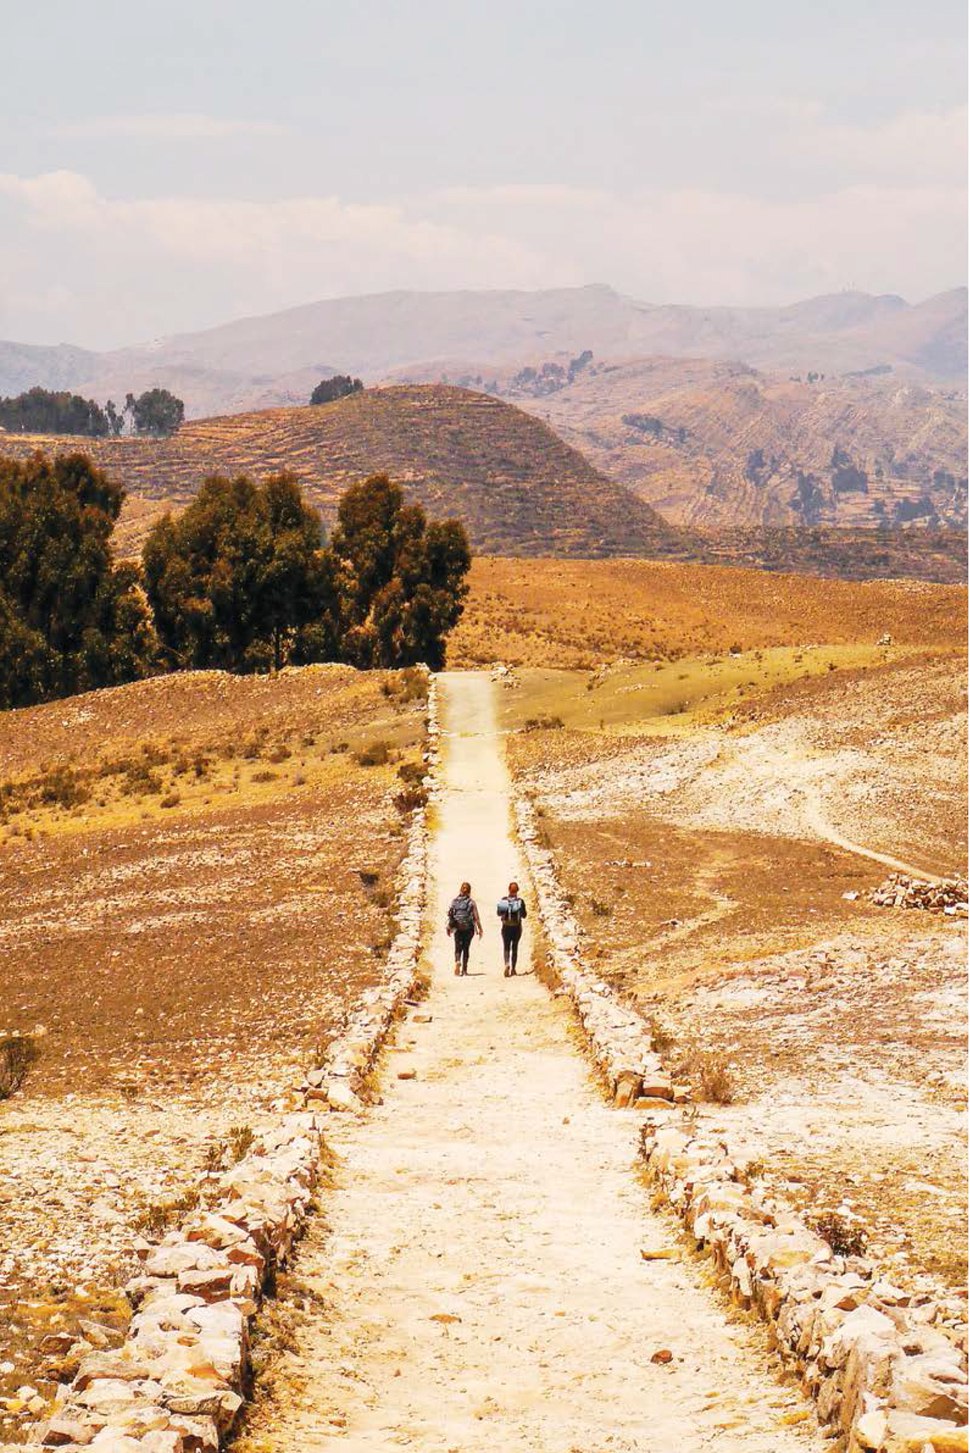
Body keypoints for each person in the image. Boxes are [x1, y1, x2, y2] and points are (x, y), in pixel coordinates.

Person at [446, 881, 482, 975]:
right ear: (469, 891)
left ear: (460, 890)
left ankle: (457, 960)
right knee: (466, 948)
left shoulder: (454, 901)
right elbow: (476, 917)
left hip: (457, 927)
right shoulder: (471, 902)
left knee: (458, 947)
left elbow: (450, 915)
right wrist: (480, 929)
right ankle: (465, 970)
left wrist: (449, 927)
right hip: (468, 928)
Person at [496, 881, 527, 976]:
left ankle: (506, 964)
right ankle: (513, 969)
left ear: (509, 889)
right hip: (516, 928)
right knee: (515, 947)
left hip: (506, 927)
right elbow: (524, 915)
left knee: (506, 947)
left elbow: (498, 913)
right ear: (517, 890)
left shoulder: (504, 900)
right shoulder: (520, 901)